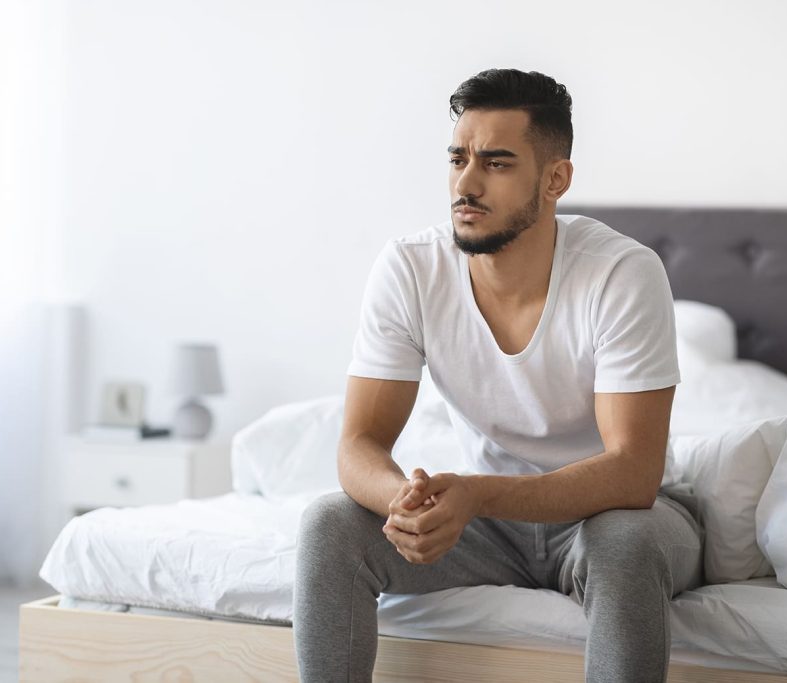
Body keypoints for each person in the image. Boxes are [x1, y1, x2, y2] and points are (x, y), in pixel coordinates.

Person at [293, 68, 704, 683]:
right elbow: (359, 444)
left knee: (625, 544)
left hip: (608, 515)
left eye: (497, 163)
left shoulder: (621, 273)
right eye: (458, 158)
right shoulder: (411, 268)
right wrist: (406, 504)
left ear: (555, 179)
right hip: (485, 530)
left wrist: (476, 493)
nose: (466, 182)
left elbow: (633, 473)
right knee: (329, 524)